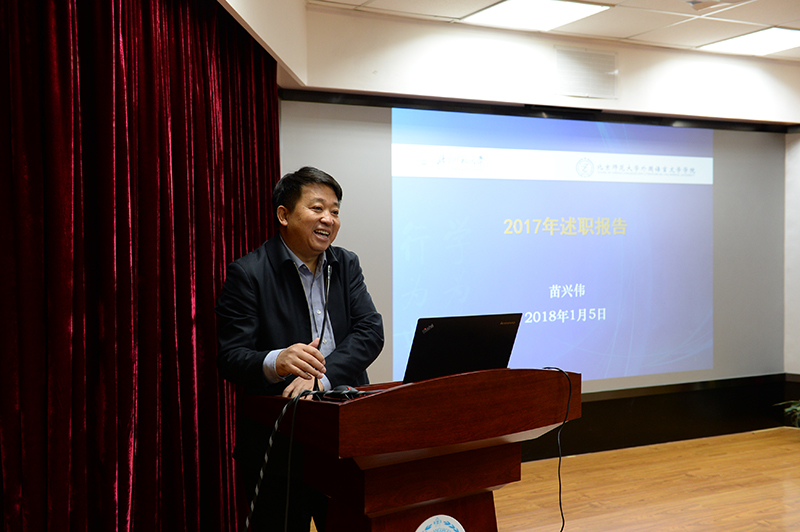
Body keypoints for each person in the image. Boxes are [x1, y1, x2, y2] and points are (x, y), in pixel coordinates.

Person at [215, 166, 384, 531]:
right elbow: (230, 356)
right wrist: (277, 360)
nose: (329, 219)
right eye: (317, 208)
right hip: (279, 444)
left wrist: (321, 378)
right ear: (284, 215)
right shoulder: (248, 273)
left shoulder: (345, 264)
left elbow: (370, 331)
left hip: (345, 434)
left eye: (335, 211)